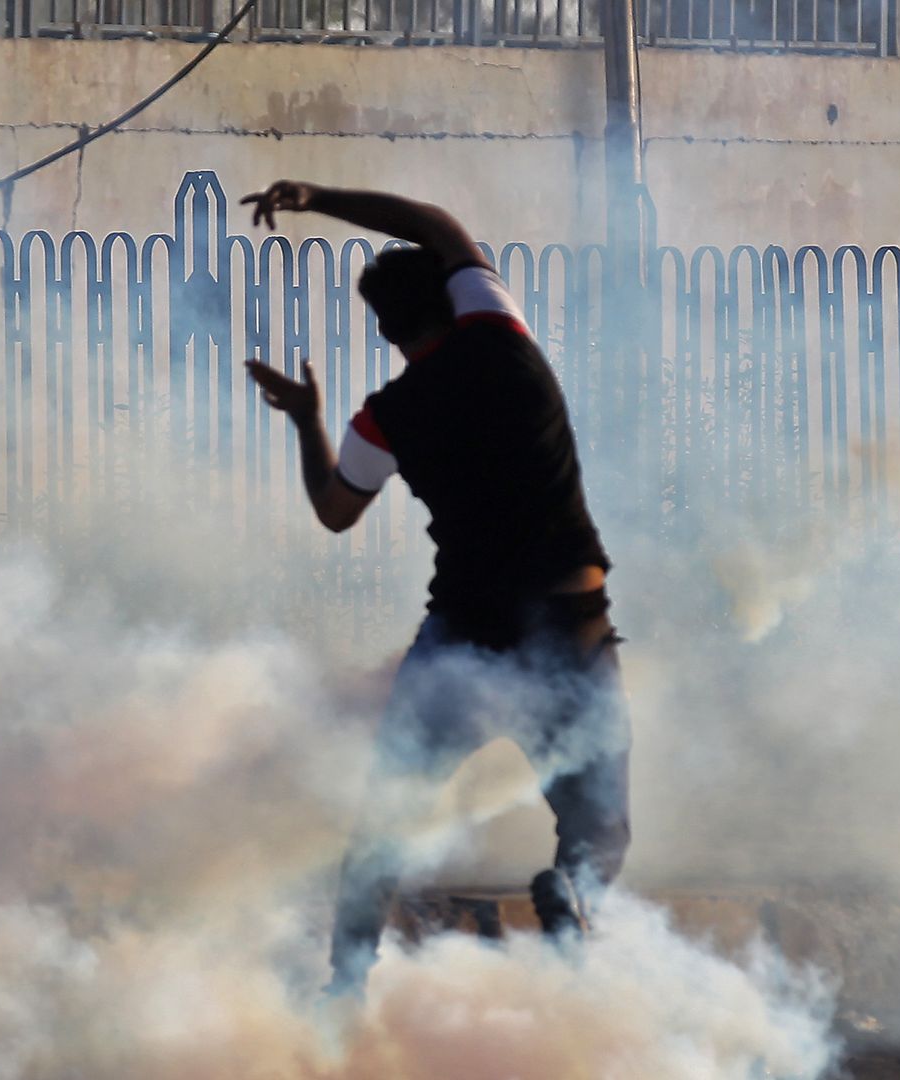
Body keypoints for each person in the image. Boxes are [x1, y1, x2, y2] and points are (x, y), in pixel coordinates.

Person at [240, 180, 631, 999]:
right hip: (571, 623)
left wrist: (306, 420)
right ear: (455, 302)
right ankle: (572, 901)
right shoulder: (502, 340)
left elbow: (335, 512)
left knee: (385, 820)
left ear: (387, 332)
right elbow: (435, 224)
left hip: (464, 637)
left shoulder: (387, 415)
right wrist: (313, 196)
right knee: (598, 826)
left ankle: (345, 989)